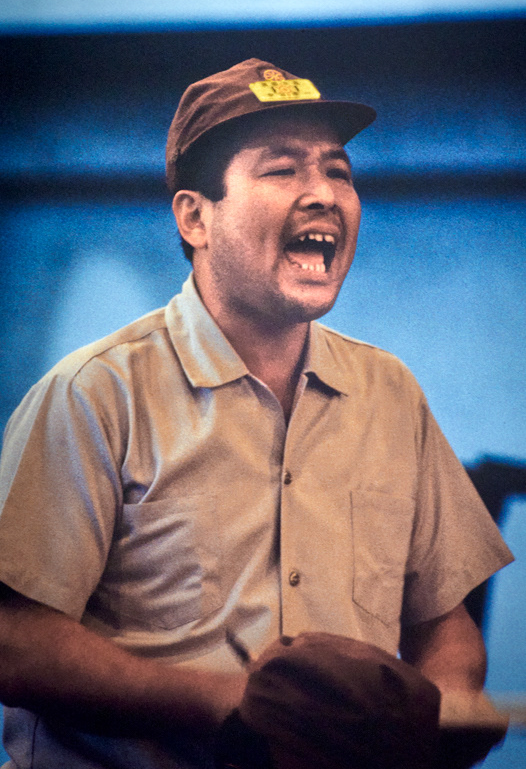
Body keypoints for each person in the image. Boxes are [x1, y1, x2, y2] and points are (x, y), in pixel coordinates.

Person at [0, 58, 514, 769]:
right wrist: (227, 705)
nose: (324, 195)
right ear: (194, 216)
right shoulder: (94, 394)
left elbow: (445, 625)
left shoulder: (390, 393)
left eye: (337, 170)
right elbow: (16, 643)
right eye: (282, 171)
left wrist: (439, 713)